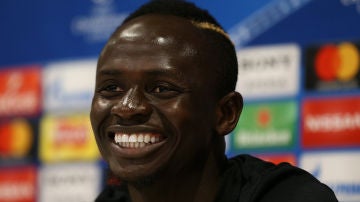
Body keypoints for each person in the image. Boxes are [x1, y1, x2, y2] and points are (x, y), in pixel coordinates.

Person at [90, 0, 338, 201]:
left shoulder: (289, 197)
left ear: (226, 114)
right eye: (111, 88)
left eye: (161, 88)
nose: (128, 107)